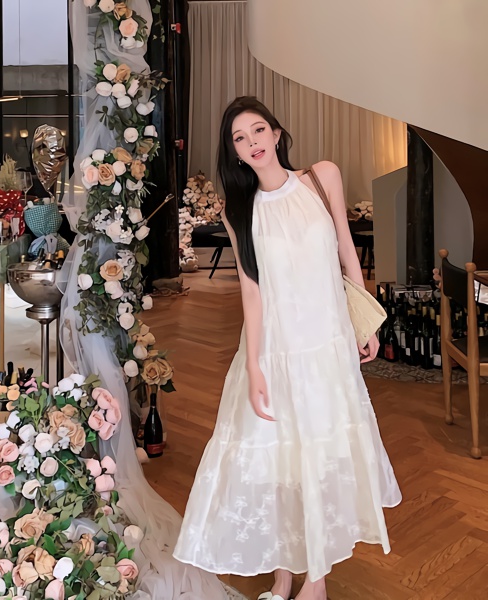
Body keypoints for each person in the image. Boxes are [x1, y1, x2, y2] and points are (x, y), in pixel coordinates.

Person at [172, 96, 402, 600]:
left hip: (327, 344)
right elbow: (251, 291)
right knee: (276, 463)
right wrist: (255, 366)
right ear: (234, 152)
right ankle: (282, 575)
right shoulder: (239, 210)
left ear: (276, 134)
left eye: (258, 130)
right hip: (275, 347)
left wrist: (366, 320)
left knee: (320, 456)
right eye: (240, 138)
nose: (252, 142)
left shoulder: (322, 178)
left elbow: (347, 250)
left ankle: (315, 580)